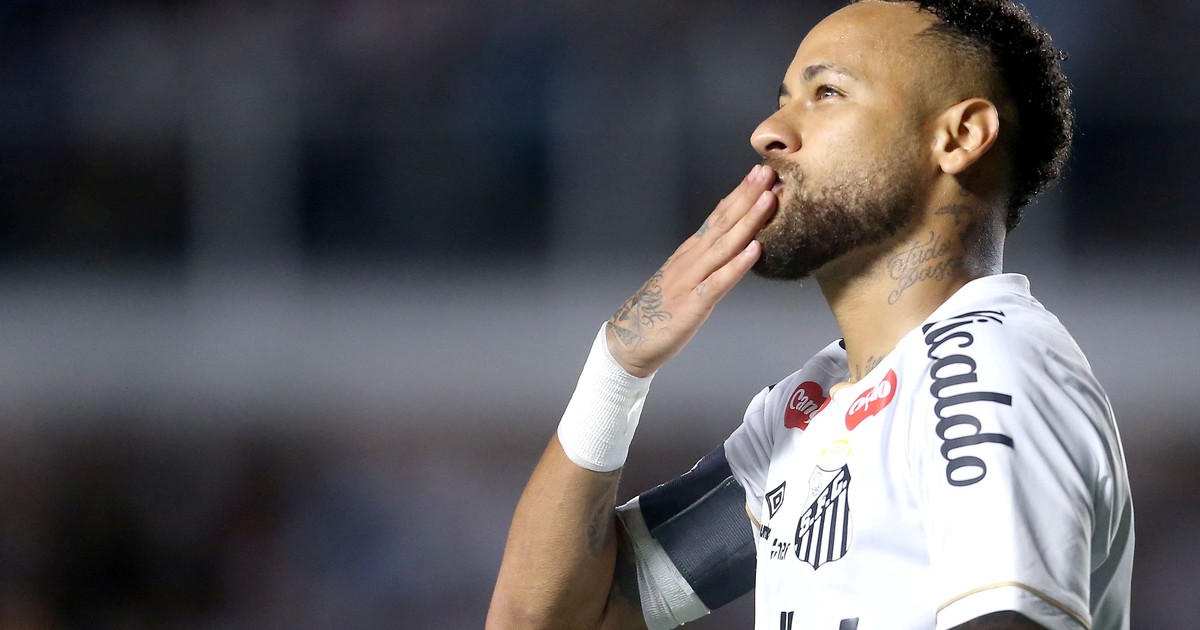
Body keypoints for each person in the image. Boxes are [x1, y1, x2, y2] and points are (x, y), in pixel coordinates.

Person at [486, 0, 1134, 628]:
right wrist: (617, 368)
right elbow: (552, 619)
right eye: (784, 97)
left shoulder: (986, 364)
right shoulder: (810, 412)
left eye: (827, 93)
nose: (767, 131)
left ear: (958, 137)